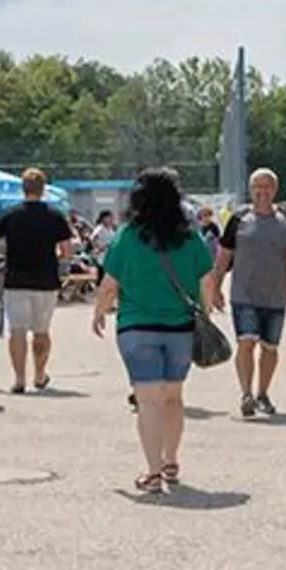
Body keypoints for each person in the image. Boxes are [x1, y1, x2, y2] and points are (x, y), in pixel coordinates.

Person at [93, 168, 218, 493]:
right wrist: (203, 315)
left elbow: (109, 284)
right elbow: (207, 279)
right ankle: (171, 461)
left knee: (148, 401)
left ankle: (152, 472)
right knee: (174, 398)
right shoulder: (190, 237)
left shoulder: (127, 235)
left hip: (137, 327)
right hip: (180, 327)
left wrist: (99, 312)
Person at [212, 168, 286, 418]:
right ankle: (246, 393)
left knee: (269, 347)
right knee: (246, 342)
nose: (262, 191)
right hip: (243, 294)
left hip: (275, 294)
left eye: (267, 186)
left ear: (275, 190)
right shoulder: (239, 219)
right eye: (258, 186)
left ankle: (263, 393)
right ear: (250, 190)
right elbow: (224, 255)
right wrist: (215, 287)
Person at [0, 168, 74, 394]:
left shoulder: (9, 214)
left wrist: (1, 253)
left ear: (23, 188)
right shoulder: (55, 215)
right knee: (41, 331)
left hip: (16, 278)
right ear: (43, 188)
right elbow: (67, 250)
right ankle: (39, 374)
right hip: (46, 279)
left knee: (17, 331)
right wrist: (57, 258)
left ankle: (19, 379)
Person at [88, 210, 117, 286]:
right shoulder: (100, 228)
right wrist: (97, 248)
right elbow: (92, 238)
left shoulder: (111, 228)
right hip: (103, 253)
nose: (111, 219)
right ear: (103, 218)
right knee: (104, 274)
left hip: (110, 253)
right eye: (109, 217)